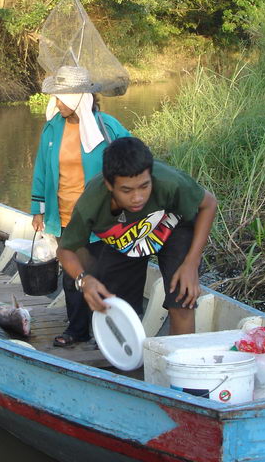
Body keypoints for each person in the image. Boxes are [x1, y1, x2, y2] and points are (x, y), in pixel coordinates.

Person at [57, 136, 217, 335]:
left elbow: (209, 204)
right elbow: (65, 250)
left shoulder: (169, 181)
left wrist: (191, 263)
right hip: (125, 239)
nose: (137, 198)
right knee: (116, 304)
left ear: (151, 176)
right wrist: (84, 280)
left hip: (172, 229)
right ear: (109, 185)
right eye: (126, 190)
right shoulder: (91, 204)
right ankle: (126, 362)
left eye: (144, 186)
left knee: (182, 299)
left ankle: (178, 361)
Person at [30, 65, 130, 347]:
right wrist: (37, 209)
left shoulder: (107, 127)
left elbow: (135, 159)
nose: (57, 103)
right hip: (62, 215)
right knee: (73, 274)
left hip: (100, 217)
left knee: (102, 273)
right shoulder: (52, 129)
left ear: (76, 98)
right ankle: (76, 329)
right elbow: (42, 170)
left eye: (62, 98)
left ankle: (106, 332)